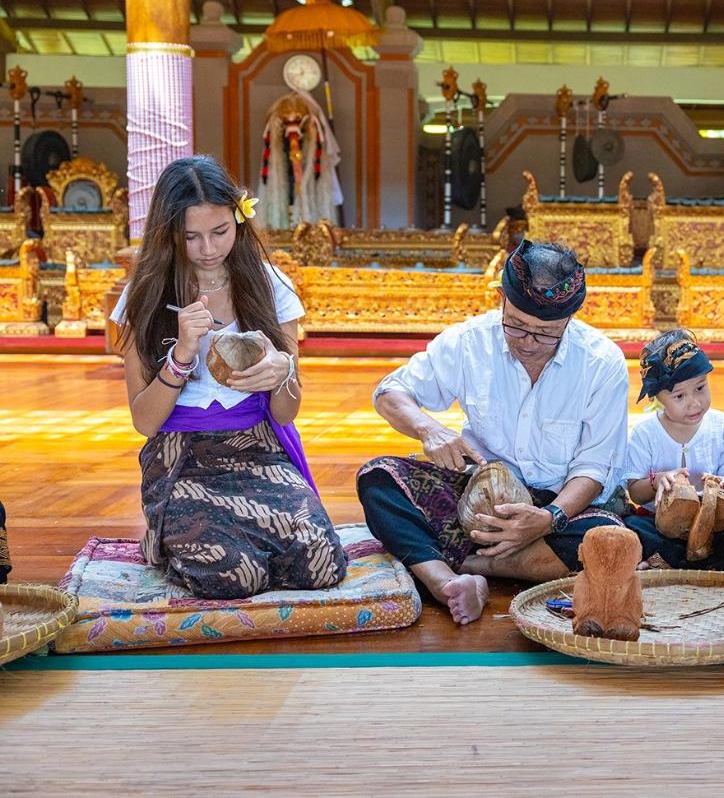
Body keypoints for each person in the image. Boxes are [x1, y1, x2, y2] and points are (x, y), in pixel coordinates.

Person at [356, 239, 629, 625]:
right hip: (477, 498)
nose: (529, 343)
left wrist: (548, 519)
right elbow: (390, 391)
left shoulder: (602, 362)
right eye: (516, 325)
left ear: (570, 321)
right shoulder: (470, 341)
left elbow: (594, 467)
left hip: (558, 504)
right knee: (380, 480)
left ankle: (450, 561)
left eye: (545, 333)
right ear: (502, 298)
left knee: (607, 538)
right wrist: (428, 429)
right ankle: (446, 582)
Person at [112, 155, 344, 600]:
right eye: (191, 237)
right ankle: (166, 533)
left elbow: (287, 410)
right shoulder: (144, 296)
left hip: (257, 446)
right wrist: (180, 356)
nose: (208, 248)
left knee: (320, 562)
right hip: (182, 457)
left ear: (239, 217)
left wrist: (282, 373)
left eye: (220, 231)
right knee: (232, 577)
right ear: (168, 235)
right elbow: (144, 422)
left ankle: (221, 534)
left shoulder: (269, 284)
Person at [621, 329, 724, 569]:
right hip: (660, 523)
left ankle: (679, 562)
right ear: (658, 398)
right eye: (679, 396)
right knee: (634, 527)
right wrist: (656, 481)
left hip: (712, 521)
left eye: (700, 388)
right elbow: (635, 492)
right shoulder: (645, 433)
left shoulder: (719, 426)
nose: (694, 402)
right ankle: (681, 560)